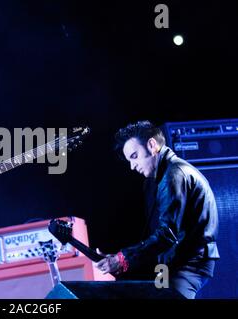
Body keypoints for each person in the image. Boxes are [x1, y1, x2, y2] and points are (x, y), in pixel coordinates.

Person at [94, 120, 219, 299]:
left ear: (152, 145)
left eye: (134, 156)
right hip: (176, 262)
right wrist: (118, 259)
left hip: (189, 263)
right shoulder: (166, 175)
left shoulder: (174, 175)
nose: (132, 166)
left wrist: (121, 259)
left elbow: (166, 234)